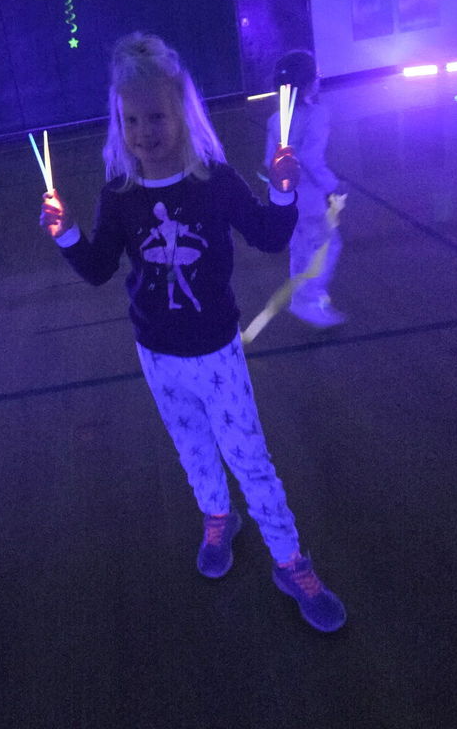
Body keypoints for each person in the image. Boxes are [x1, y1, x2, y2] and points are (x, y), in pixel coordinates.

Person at [39, 32, 346, 633]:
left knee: (250, 458)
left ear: (182, 113)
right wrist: (67, 234)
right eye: (132, 119)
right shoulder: (120, 195)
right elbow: (101, 269)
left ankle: (290, 559)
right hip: (156, 354)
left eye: (156, 116)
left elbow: (268, 236)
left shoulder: (216, 183)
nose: (144, 131)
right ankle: (216, 515)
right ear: (119, 122)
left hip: (215, 352)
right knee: (192, 446)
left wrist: (284, 193)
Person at [264, 49, 346, 328]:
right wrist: (332, 184)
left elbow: (268, 160)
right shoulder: (317, 115)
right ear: (310, 82)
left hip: (285, 200)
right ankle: (308, 300)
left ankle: (304, 298)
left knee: (300, 248)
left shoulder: (276, 120)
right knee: (327, 245)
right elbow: (311, 158)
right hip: (309, 198)